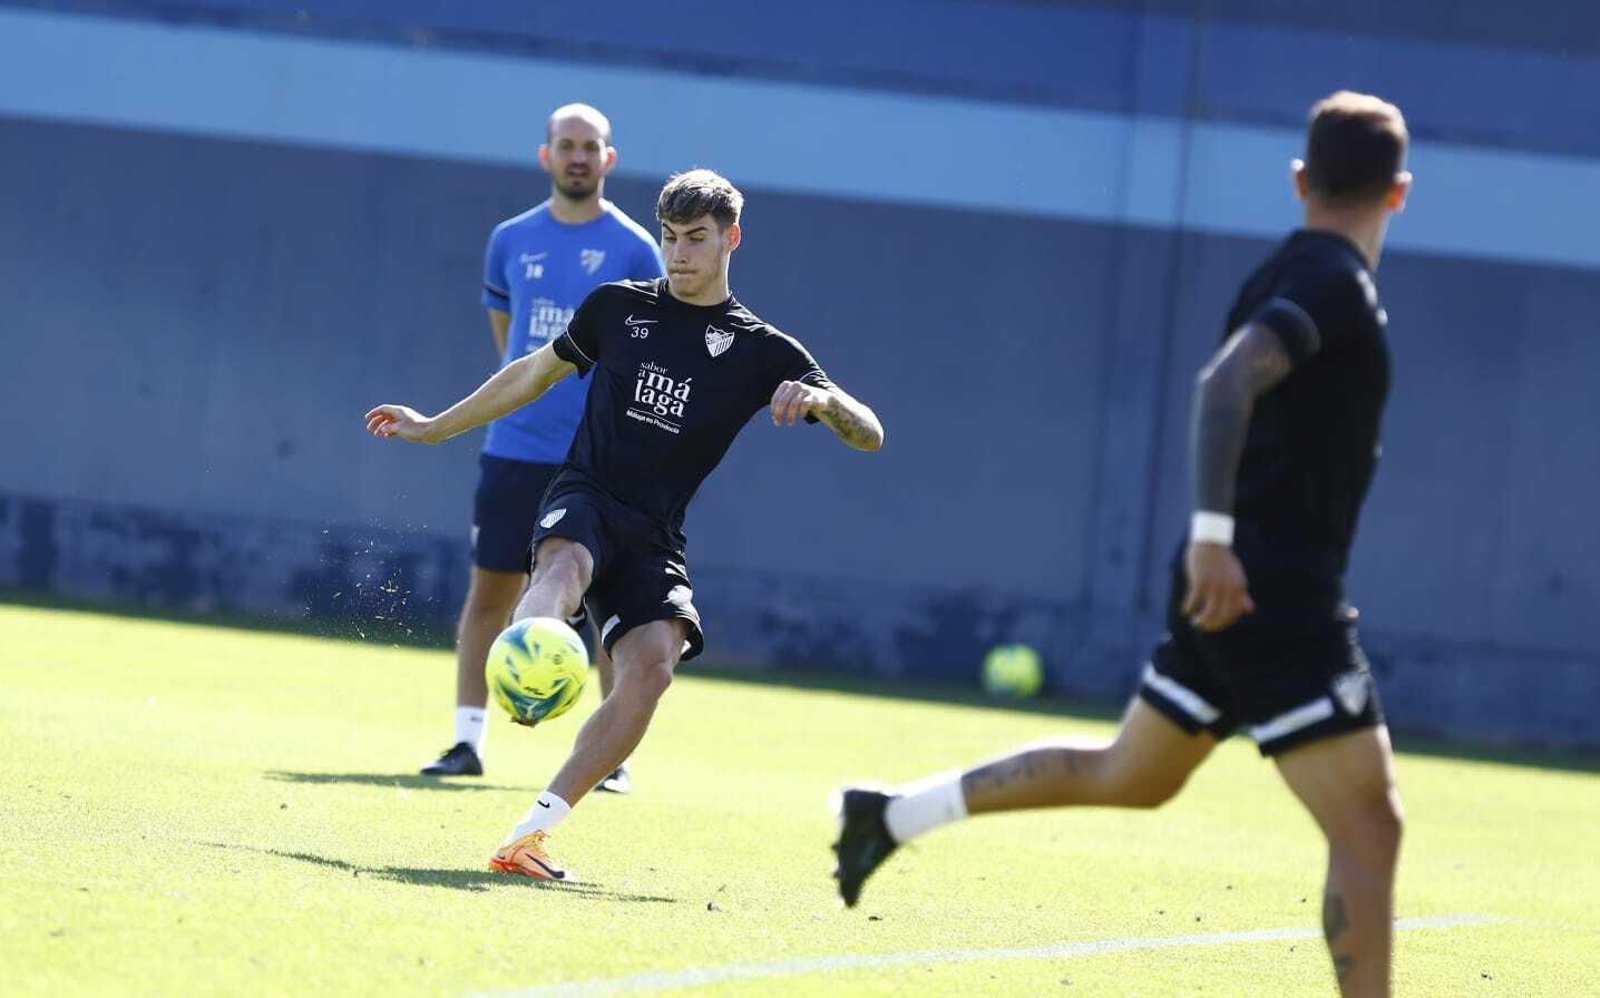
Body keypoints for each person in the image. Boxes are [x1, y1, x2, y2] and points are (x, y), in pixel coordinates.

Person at [832, 91, 1411, 998]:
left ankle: (893, 816)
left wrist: (1212, 547)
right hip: (1268, 591)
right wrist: (1216, 541)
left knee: (1131, 774)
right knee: (1369, 826)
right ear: (1399, 193)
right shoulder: (1333, 282)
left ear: (1301, 180)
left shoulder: (1288, 270)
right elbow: (1224, 386)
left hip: (1234, 582)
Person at [368, 168, 884, 879]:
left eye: (696, 239)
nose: (678, 254)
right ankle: (530, 666)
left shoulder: (765, 350)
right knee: (563, 566)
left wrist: (826, 402)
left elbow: (871, 434)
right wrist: (434, 427)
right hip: (586, 493)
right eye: (669, 237)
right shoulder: (616, 307)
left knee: (653, 667)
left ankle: (528, 836)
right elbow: (530, 372)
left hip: (655, 535)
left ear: (731, 239)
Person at [419, 103, 664, 795]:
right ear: (546, 155)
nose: (578, 156)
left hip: (598, 461)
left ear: (609, 158)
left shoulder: (636, 250)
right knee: (491, 592)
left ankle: (612, 757)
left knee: (606, 603)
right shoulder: (510, 239)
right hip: (515, 450)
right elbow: (513, 345)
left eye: (590, 146)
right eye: (566, 145)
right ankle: (467, 742)